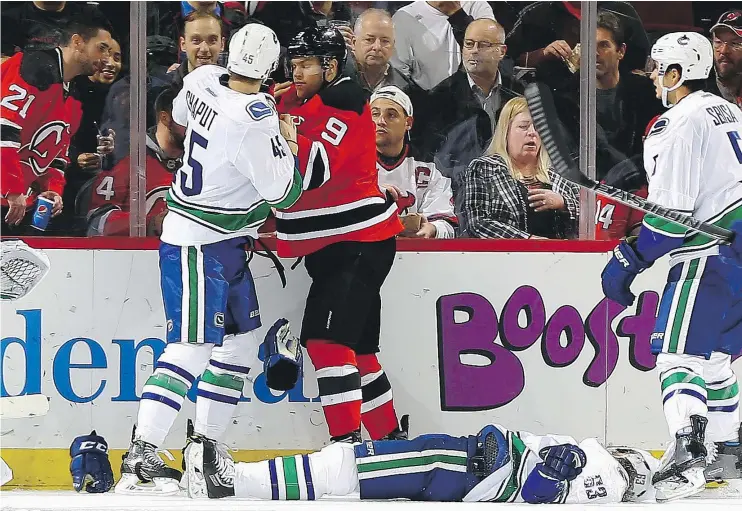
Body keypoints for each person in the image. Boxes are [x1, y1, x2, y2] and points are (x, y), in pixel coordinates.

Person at [115, 23, 304, 494]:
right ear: (273, 66)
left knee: (240, 343)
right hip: (200, 242)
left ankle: (205, 447)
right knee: (192, 347)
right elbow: (286, 193)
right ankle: (142, 453)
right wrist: (288, 140)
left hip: (224, 239)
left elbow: (183, 113)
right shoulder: (255, 119)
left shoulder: (201, 79)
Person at [600, 32, 742, 502]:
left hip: (710, 255)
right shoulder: (730, 112)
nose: (654, 77)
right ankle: (726, 452)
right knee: (715, 360)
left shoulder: (676, 123)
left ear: (678, 73)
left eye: (659, 68)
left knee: (677, 357)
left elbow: (669, 223)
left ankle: (689, 455)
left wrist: (628, 260)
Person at [273, 27, 406, 444]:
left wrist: (278, 132)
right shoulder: (296, 98)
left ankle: (344, 447)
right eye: (293, 64)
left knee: (326, 342)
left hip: (358, 243)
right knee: (359, 352)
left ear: (331, 66)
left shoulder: (344, 101)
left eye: (306, 64)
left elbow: (312, 172)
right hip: (339, 245)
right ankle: (389, 444)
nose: (297, 73)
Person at [183, 421, 660, 504]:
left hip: (464, 468)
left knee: (344, 467)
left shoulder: (606, 478)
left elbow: (540, 491)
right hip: (463, 461)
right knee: (346, 470)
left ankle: (234, 483)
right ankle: (237, 479)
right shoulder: (607, 470)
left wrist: (559, 464)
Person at [0, 14, 113, 235]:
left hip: (16, 203)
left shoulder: (75, 95)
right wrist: (12, 189)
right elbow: (4, 130)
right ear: (77, 42)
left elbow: (57, 154)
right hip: (10, 196)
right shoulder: (34, 67)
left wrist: (52, 189)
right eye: (101, 48)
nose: (107, 58)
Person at [460, 97, 579, 239]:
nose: (532, 133)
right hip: (505, 258)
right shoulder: (483, 169)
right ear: (506, 132)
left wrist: (564, 203)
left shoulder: (562, 174)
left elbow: (593, 217)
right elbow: (477, 223)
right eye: (523, 126)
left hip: (562, 258)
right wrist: (527, 242)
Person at [86, 88, 183, 237]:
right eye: (186, 118)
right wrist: (151, 223)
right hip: (133, 258)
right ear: (165, 118)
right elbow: (97, 223)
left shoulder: (202, 160)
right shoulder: (126, 158)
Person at [371, 86, 457, 239]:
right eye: (375, 114)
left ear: (408, 123)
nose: (381, 121)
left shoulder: (429, 169)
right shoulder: (348, 166)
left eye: (391, 115)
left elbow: (447, 226)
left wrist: (432, 229)